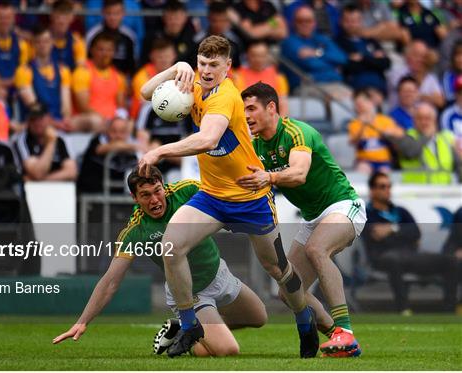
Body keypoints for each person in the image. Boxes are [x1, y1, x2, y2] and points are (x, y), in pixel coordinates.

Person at [137, 35, 318, 358]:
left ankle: (304, 320)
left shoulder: (226, 97)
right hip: (212, 196)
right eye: (202, 63)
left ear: (227, 67)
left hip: (250, 197)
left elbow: (207, 139)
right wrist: (174, 69)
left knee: (278, 269)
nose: (206, 71)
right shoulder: (191, 84)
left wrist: (159, 151)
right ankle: (189, 323)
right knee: (171, 246)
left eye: (214, 65)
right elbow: (145, 92)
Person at [55, 166, 268, 357]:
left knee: (259, 317)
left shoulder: (187, 191)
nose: (154, 200)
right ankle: (188, 337)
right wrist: (82, 322)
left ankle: (184, 329)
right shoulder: (135, 230)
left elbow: (222, 194)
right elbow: (111, 281)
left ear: (164, 187)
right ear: (135, 198)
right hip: (190, 294)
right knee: (228, 350)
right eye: (145, 195)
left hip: (219, 273)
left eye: (157, 191)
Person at [237, 82, 366, 358]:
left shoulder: (297, 132)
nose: (246, 115)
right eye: (243, 109)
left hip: (344, 205)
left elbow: (298, 174)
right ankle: (337, 338)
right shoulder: (256, 146)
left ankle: (346, 329)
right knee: (288, 291)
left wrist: (269, 177)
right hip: (313, 218)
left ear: (271, 108)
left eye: (251, 108)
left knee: (317, 249)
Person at [362, 171, 457, 313]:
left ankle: (449, 310)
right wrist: (402, 233)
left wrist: (392, 229)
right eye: (382, 186)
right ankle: (403, 308)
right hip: (382, 256)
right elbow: (373, 235)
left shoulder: (401, 211)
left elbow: (415, 232)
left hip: (409, 254)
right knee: (394, 259)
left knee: (450, 260)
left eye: (389, 186)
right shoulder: (367, 213)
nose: (387, 190)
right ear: (372, 190)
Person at [281, 5, 350, 100]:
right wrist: (331, 67)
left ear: (314, 23)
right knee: (338, 100)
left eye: (308, 20)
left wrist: (317, 53)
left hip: (333, 83)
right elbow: (311, 64)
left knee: (358, 100)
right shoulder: (289, 42)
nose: (304, 24)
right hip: (306, 87)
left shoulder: (321, 38)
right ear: (294, 23)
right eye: (300, 21)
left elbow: (342, 58)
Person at [71, 32, 128, 132]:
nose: (105, 54)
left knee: (128, 123)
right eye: (101, 49)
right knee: (95, 121)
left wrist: (118, 120)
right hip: (88, 119)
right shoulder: (82, 72)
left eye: (109, 50)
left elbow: (121, 106)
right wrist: (106, 120)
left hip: (111, 121)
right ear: (92, 50)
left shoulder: (119, 76)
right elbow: (83, 107)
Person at [398, 102, 461, 184]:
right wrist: (427, 136)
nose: (424, 122)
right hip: (416, 192)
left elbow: (458, 165)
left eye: (427, 118)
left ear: (434, 120)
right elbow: (410, 152)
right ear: (413, 121)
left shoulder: (446, 139)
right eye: (419, 118)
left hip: (444, 192)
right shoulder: (407, 137)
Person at [336, 4, 391, 96]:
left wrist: (362, 58)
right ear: (341, 21)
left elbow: (386, 63)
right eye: (347, 21)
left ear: (361, 21)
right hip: (356, 90)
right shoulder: (338, 43)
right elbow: (350, 66)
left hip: (380, 90)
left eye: (354, 21)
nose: (351, 24)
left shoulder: (370, 40)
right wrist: (373, 59)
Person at [13, 103, 77, 182]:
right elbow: (37, 173)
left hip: (60, 188)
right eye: (33, 119)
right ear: (28, 121)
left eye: (41, 118)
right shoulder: (22, 140)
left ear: (49, 118)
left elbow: (71, 172)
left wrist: (42, 180)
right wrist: (51, 143)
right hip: (31, 190)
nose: (37, 123)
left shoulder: (61, 139)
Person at [347, 89, 404, 174]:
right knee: (362, 170)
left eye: (363, 102)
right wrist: (362, 126)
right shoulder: (354, 123)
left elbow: (401, 134)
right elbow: (352, 142)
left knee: (384, 174)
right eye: (357, 104)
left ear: (371, 102)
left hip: (384, 161)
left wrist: (389, 132)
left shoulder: (384, 120)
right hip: (364, 161)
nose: (360, 106)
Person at [76, 117, 138, 194]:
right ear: (107, 131)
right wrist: (134, 146)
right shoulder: (97, 141)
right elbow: (100, 149)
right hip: (92, 196)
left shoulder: (132, 149)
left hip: (120, 197)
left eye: (122, 132)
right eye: (114, 131)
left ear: (127, 133)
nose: (118, 135)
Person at [232, 40, 289, 116]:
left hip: (270, 121)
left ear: (267, 56)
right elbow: (237, 103)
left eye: (262, 55)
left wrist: (281, 124)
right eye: (254, 55)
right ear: (247, 56)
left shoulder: (278, 77)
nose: (258, 59)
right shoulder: (237, 76)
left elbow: (283, 103)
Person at [386, 40, 445, 109]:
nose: (420, 59)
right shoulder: (397, 73)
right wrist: (428, 97)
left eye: (424, 56)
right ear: (407, 56)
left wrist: (421, 96)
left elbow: (440, 102)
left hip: (422, 117)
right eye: (416, 55)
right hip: (397, 117)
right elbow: (408, 94)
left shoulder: (430, 77)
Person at [86, 0, 136, 76]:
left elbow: (131, 66)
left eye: (117, 13)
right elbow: (87, 61)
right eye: (109, 13)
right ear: (103, 12)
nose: (113, 17)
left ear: (123, 13)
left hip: (121, 82)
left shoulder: (129, 36)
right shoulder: (93, 34)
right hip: (95, 78)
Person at [130, 38, 176, 119]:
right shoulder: (142, 75)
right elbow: (144, 99)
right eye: (160, 57)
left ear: (174, 55)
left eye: (167, 56)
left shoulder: (180, 73)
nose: (164, 60)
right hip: (143, 117)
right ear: (152, 56)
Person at [142, 0, 197, 67]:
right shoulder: (152, 39)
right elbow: (144, 64)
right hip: (157, 75)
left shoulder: (193, 39)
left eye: (177, 18)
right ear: (163, 17)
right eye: (170, 18)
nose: (174, 22)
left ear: (185, 17)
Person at [193, 1, 244, 69]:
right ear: (209, 18)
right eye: (215, 21)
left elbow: (238, 68)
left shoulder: (234, 41)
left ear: (227, 20)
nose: (218, 25)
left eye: (222, 20)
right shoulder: (197, 40)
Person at [49, 0, 87, 70]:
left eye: (65, 17)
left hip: (69, 78)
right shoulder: (42, 39)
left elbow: (81, 65)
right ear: (52, 16)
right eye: (58, 17)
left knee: (81, 73)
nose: (61, 21)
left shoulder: (77, 40)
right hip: (47, 78)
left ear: (71, 18)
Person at [440, 75, 462, 158]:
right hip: (456, 156)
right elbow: (447, 139)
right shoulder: (448, 115)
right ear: (456, 94)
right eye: (460, 93)